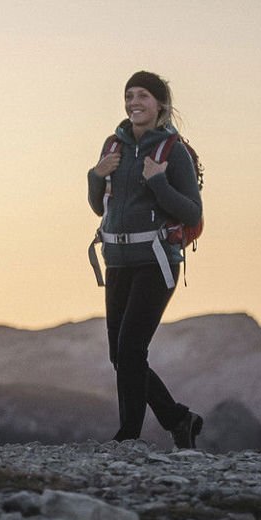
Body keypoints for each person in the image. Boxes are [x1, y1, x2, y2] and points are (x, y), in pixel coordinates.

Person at [87, 71, 204, 448]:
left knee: (132, 349)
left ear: (160, 105)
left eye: (143, 96)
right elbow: (97, 206)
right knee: (120, 356)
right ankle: (179, 419)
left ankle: (129, 437)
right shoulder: (113, 146)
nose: (134, 102)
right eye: (129, 95)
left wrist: (158, 181)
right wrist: (94, 175)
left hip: (157, 261)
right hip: (117, 259)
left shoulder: (174, 152)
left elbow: (192, 213)